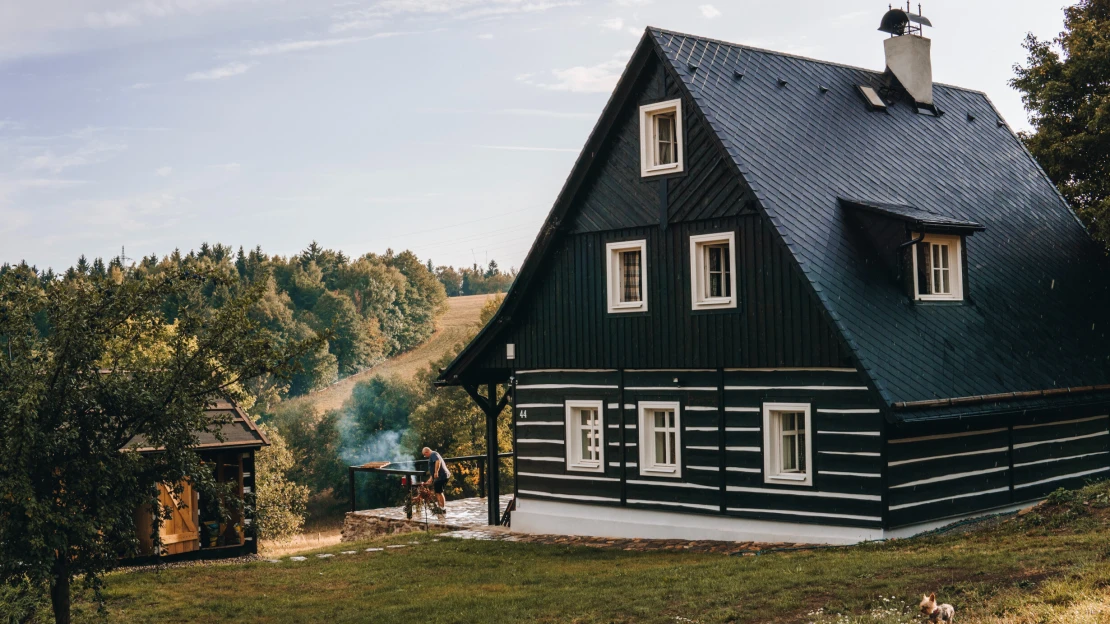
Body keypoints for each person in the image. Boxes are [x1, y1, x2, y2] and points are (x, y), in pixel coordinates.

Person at [422, 447, 450, 513]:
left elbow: (438, 461)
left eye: (425, 455)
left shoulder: (433, 454)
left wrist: (436, 472)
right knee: (438, 492)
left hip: (441, 476)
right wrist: (431, 478)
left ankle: (442, 508)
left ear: (427, 452)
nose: (425, 456)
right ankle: (440, 507)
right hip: (439, 477)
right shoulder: (433, 455)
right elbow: (433, 467)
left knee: (439, 492)